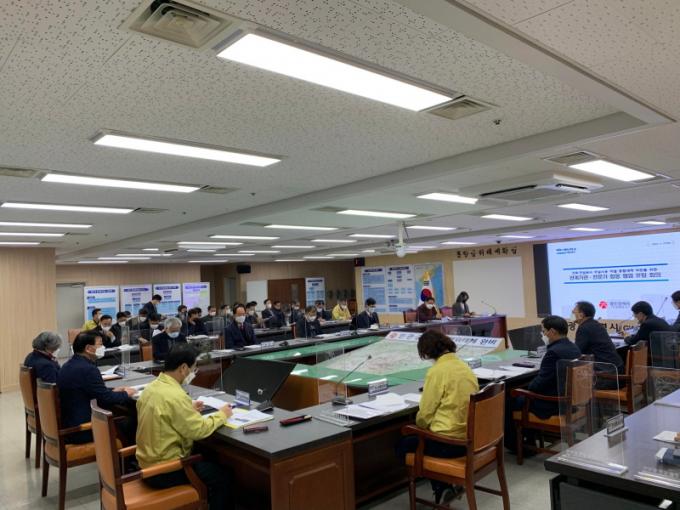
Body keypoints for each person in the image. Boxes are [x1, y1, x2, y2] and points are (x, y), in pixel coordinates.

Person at [136, 344, 233, 510]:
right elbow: (199, 430)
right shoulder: (175, 396)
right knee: (223, 477)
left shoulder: (152, 388)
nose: (194, 373)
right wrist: (222, 414)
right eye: (194, 368)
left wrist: (187, 407)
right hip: (165, 471)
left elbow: (165, 412)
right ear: (183, 368)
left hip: (146, 464)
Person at [396, 330, 478, 503]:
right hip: (470, 439)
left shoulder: (437, 371)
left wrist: (418, 424)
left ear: (426, 352)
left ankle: (441, 486)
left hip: (448, 443)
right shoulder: (465, 367)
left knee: (403, 444)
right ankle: (446, 484)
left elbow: (424, 415)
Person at [507, 316, 581, 448]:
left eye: (543, 331)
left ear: (552, 331)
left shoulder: (553, 353)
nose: (543, 335)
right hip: (570, 402)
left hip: (552, 404)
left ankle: (519, 445)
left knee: (509, 400)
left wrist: (525, 388)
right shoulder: (573, 347)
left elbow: (538, 385)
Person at [57, 332, 136, 444]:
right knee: (131, 421)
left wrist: (112, 390)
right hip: (83, 430)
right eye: (100, 344)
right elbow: (106, 399)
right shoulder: (88, 369)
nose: (103, 347)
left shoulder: (68, 365)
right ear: (88, 348)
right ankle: (128, 454)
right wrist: (126, 393)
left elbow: (90, 390)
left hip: (70, 423)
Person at [572, 301, 624, 374]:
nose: (572, 313)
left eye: (574, 312)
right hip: (615, 367)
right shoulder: (595, 324)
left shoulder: (584, 328)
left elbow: (577, 352)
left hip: (606, 371)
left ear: (581, 315)